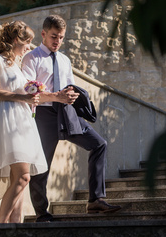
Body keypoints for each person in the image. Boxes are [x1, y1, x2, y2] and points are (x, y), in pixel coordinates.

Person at [21, 14, 121, 222]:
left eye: (61, 37)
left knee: (98, 144)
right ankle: (41, 213)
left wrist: (72, 95)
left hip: (67, 112)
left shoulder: (65, 60)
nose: (57, 41)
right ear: (44, 34)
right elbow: (29, 92)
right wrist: (55, 96)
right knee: (42, 164)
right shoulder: (32, 58)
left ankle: (96, 200)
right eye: (54, 36)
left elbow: (69, 86)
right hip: (44, 115)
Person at [0, 21, 48, 223]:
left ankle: (16, 228)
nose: (29, 47)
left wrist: (33, 97)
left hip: (24, 122)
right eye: (27, 42)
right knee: (23, 177)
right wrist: (22, 98)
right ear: (15, 40)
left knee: (20, 179)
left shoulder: (19, 68)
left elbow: (24, 95)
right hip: (8, 119)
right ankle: (0, 225)